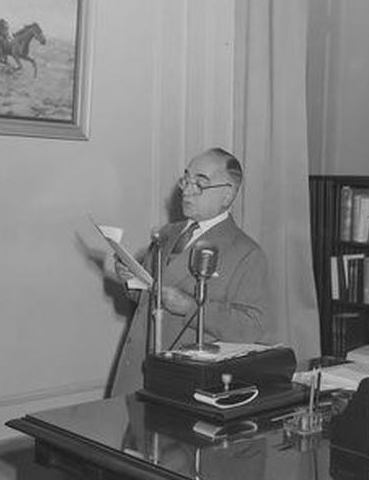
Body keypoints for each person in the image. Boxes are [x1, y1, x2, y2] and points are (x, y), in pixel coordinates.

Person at [106, 148, 270, 397]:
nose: (187, 190)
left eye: (200, 183)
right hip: (135, 373)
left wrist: (191, 307)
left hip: (183, 382)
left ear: (227, 195)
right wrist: (132, 282)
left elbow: (250, 328)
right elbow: (149, 303)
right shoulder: (167, 234)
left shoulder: (246, 252)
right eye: (186, 180)